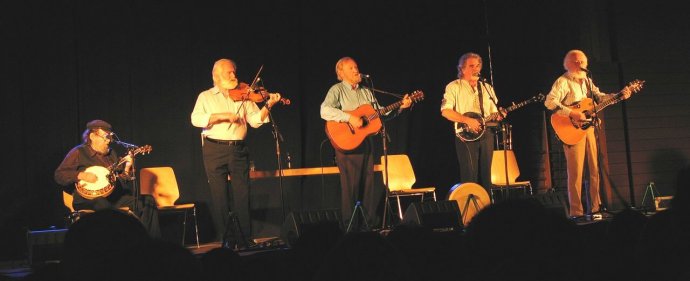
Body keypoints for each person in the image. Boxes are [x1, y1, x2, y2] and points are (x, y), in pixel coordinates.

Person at [191, 58, 281, 246]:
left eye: (234, 72)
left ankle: (245, 238)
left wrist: (269, 105)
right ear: (216, 76)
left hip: (238, 150)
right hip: (214, 149)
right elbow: (196, 119)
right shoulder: (206, 96)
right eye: (229, 73)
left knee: (243, 194)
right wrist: (222, 116)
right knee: (220, 196)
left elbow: (256, 121)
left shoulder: (244, 95)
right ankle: (227, 240)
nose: (234, 75)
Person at [320, 56, 411, 230]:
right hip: (346, 144)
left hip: (365, 143)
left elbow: (380, 116)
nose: (356, 71)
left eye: (356, 67)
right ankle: (350, 227)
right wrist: (349, 118)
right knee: (351, 188)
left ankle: (367, 227)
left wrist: (400, 107)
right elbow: (324, 110)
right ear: (341, 73)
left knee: (368, 185)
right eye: (351, 68)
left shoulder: (366, 91)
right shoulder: (337, 90)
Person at [544, 49, 631, 218]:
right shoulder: (563, 81)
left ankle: (595, 208)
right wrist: (571, 113)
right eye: (576, 62)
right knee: (575, 173)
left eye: (582, 62)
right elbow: (549, 102)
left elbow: (600, 97)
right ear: (567, 64)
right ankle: (576, 212)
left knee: (594, 170)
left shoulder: (587, 81)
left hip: (589, 128)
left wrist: (619, 96)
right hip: (571, 130)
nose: (580, 65)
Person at [54, 119, 160, 237]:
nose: (108, 141)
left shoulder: (111, 154)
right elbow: (59, 175)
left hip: (113, 198)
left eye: (110, 137)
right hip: (87, 200)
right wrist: (82, 175)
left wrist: (127, 167)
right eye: (105, 137)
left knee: (147, 201)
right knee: (103, 205)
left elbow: (121, 180)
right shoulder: (78, 152)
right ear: (93, 136)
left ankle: (149, 242)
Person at [441, 52, 503, 194]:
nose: (476, 69)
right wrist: (467, 120)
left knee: (486, 175)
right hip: (466, 135)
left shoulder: (486, 87)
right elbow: (445, 111)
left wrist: (498, 115)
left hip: (487, 133)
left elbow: (493, 112)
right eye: (471, 66)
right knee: (470, 175)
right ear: (462, 69)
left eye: (477, 66)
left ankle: (486, 208)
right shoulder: (454, 86)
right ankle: (470, 210)